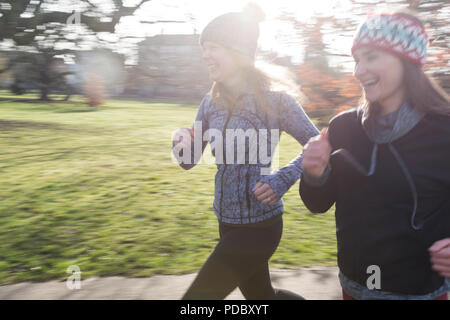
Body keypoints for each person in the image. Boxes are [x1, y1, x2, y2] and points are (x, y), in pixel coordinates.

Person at [299, 10, 450, 300]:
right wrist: (315, 174)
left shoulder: (443, 132)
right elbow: (316, 204)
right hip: (353, 287)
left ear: (406, 61)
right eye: (357, 60)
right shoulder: (343, 127)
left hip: (418, 292)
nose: (358, 71)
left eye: (371, 57)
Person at [172, 4, 318, 300]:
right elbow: (188, 162)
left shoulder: (276, 102)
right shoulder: (209, 103)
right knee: (263, 299)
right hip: (226, 221)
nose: (205, 56)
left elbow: (318, 145)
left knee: (196, 302)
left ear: (237, 50)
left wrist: (283, 179)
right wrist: (180, 146)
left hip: (260, 227)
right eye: (204, 48)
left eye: (213, 47)